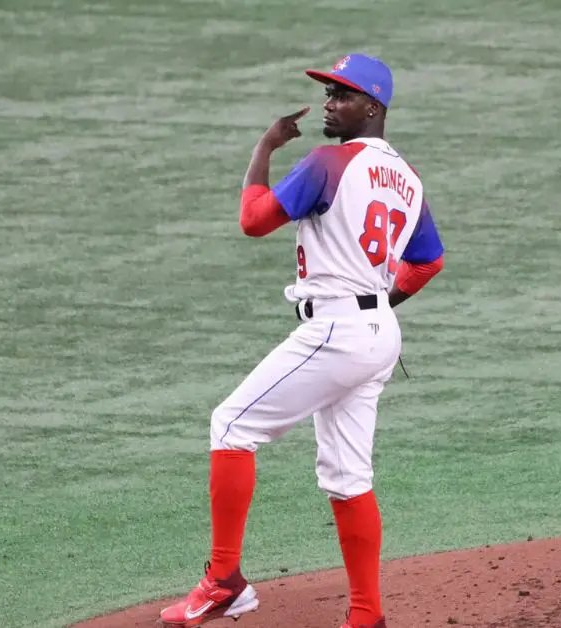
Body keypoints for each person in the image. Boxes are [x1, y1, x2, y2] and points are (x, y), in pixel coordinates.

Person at [158, 52, 446, 628]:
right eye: (328, 92)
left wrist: (264, 147)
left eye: (342, 95)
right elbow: (427, 262)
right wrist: (378, 307)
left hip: (337, 329)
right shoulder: (408, 180)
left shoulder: (327, 163)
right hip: (376, 335)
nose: (328, 103)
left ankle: (224, 583)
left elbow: (254, 219)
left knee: (232, 426)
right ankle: (366, 615)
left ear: (373, 106)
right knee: (348, 477)